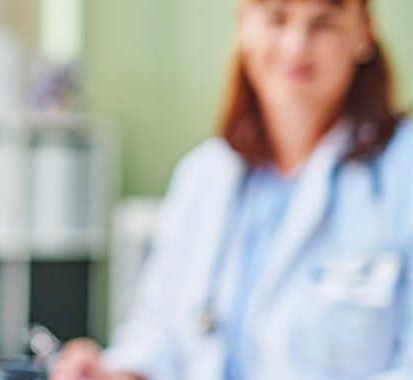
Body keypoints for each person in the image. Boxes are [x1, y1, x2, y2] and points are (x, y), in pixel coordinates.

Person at [51, 0, 410, 379]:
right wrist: (114, 373)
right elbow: (159, 337)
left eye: (323, 24)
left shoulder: (402, 171)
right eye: (276, 19)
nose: (296, 46)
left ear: (364, 33)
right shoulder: (204, 176)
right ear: (244, 25)